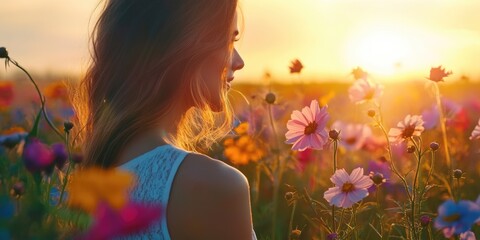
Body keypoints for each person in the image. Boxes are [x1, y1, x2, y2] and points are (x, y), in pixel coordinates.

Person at [76, 0, 255, 239]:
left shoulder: (89, 178)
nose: (239, 61)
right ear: (184, 44)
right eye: (228, 41)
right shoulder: (217, 186)